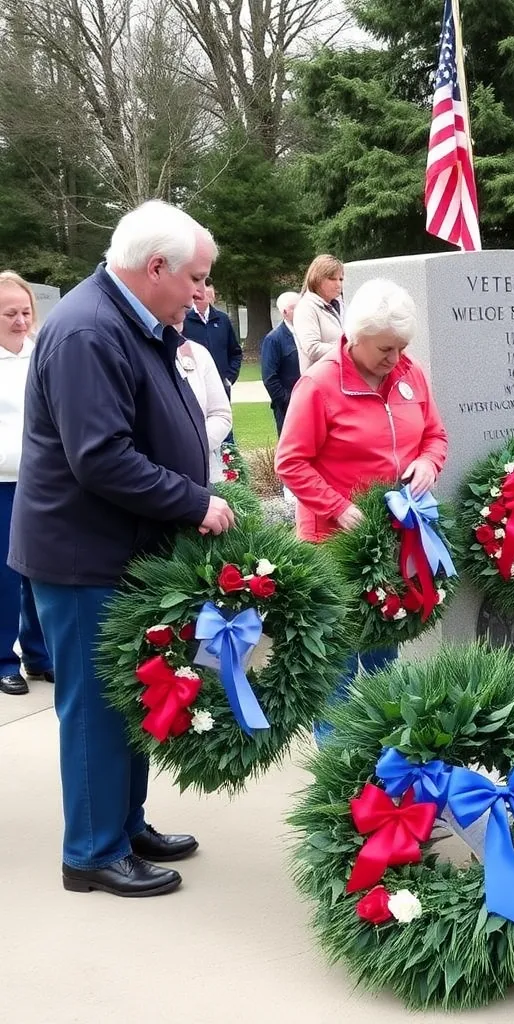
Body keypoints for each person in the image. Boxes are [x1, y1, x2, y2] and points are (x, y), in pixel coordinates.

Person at [9, 200, 235, 897]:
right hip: (84, 557)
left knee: (133, 698)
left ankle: (123, 821)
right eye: (194, 278)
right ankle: (92, 851)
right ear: (155, 267)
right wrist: (195, 501)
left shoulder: (133, 321)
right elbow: (100, 457)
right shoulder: (88, 330)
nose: (200, 294)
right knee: (97, 707)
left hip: (123, 549)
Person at [275, 278, 448, 746]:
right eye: (385, 349)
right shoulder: (319, 384)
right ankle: (341, 768)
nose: (395, 359)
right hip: (334, 543)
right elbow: (290, 462)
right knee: (339, 660)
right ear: (354, 337)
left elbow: (435, 436)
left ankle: (381, 754)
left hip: (395, 537)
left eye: (401, 347)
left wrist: (427, 463)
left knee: (381, 648)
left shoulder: (411, 376)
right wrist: (338, 508)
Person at [0, 272, 52, 696]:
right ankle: (4, 658)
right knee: (4, 576)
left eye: (25, 312)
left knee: (40, 570)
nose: (20, 321)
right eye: (9, 314)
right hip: (1, 483)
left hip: (40, 483)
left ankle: (39, 654)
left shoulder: (41, 353)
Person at [174, 330, 233, 482]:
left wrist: (193, 445)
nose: (188, 305)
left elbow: (221, 414)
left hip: (205, 473)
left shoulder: (198, 353)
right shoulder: (131, 350)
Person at [181, 280, 242, 398]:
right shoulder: (184, 319)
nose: (198, 297)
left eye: (203, 294)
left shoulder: (222, 320)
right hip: (194, 387)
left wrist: (229, 378)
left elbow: (235, 352)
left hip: (221, 387)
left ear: (211, 297)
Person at [293, 253, 345, 373]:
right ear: (317, 279)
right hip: (320, 381)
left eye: (341, 279)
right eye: (332, 279)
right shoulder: (306, 307)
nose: (338, 284)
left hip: (339, 378)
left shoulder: (340, 305)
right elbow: (312, 349)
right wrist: (348, 349)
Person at [261, 290, 301, 435]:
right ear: (285, 312)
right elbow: (269, 377)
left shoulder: (307, 333)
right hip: (288, 408)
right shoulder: (274, 339)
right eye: (297, 307)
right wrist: (287, 400)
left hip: (310, 402)